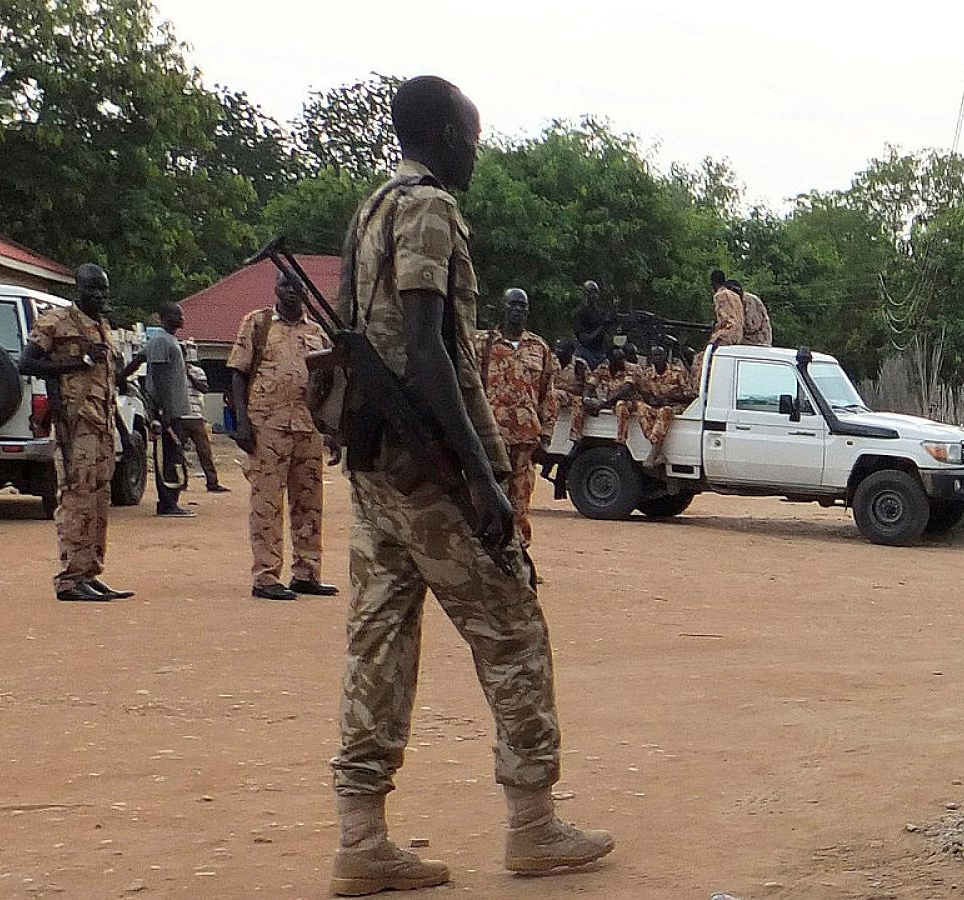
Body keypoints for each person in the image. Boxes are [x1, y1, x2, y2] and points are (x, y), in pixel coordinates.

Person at [327, 76, 612, 896]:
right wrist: (482, 479)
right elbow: (428, 349)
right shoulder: (428, 209)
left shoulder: (370, 210)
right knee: (514, 630)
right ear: (448, 134)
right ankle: (533, 826)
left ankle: (361, 838)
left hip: (379, 466)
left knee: (378, 643)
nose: (476, 155)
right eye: (473, 139)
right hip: (430, 470)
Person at [18, 264, 133, 602]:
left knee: (98, 499)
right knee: (76, 498)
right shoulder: (56, 322)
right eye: (93, 289)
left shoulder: (102, 327)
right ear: (78, 289)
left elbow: (108, 382)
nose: (100, 295)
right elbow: (26, 364)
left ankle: (89, 571)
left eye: (103, 289)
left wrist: (123, 430)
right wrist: (76, 363)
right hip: (75, 424)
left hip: (101, 424)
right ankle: (70, 578)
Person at [228, 270, 337, 603]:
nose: (291, 291)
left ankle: (306, 573)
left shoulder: (318, 333)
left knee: (309, 504)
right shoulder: (258, 324)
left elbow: (329, 384)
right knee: (267, 504)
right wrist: (242, 422)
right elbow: (238, 372)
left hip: (307, 427)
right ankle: (266, 575)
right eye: (285, 285)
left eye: (297, 286)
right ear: (275, 288)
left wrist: (332, 429)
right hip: (267, 427)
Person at [475, 288, 558, 547]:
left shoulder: (539, 348)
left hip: (525, 439)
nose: (518, 310)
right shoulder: (484, 345)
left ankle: (518, 555)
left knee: (520, 503)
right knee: (489, 499)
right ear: (503, 307)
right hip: (492, 437)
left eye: (523, 305)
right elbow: (471, 389)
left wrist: (546, 437)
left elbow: (548, 395)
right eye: (513, 304)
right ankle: (489, 553)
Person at [122, 304, 196, 518]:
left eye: (181, 313)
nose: (181, 317)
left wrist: (120, 377)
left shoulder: (164, 340)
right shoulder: (162, 341)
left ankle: (170, 500)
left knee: (173, 453)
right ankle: (168, 502)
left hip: (174, 410)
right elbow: (161, 376)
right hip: (168, 410)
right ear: (163, 317)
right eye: (176, 314)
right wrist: (163, 410)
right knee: (169, 456)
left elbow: (136, 361)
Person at [634, 344, 697, 469]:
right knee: (641, 407)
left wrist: (670, 398)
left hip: (676, 406)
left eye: (660, 355)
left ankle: (653, 452)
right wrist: (652, 400)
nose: (657, 358)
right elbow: (644, 393)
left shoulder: (677, 372)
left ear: (665, 356)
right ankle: (659, 452)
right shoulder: (647, 374)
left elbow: (690, 395)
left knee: (665, 411)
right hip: (657, 405)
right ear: (651, 358)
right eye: (654, 355)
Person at [179, 340, 229, 493]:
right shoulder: (172, 373)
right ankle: (181, 482)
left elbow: (204, 388)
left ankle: (212, 482)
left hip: (196, 417)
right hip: (179, 416)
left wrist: (189, 375)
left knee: (205, 452)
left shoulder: (197, 371)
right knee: (178, 453)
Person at [586, 344, 640, 442]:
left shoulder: (631, 368)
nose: (622, 361)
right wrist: (586, 399)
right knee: (581, 401)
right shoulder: (603, 368)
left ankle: (621, 440)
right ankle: (575, 437)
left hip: (631, 403)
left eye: (623, 358)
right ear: (610, 360)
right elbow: (590, 385)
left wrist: (603, 404)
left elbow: (625, 390)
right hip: (610, 403)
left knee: (621, 404)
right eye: (619, 359)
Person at [552, 339, 590, 441]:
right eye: (558, 349)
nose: (559, 352)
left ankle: (575, 435)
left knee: (578, 402)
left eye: (562, 350)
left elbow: (587, 386)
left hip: (573, 396)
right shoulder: (551, 361)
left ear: (571, 352)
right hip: (555, 396)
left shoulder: (579, 365)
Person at [571, 280, 616, 366]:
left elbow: (610, 339)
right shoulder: (580, 314)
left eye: (595, 292)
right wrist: (602, 327)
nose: (594, 295)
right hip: (585, 353)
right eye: (591, 293)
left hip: (601, 353)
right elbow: (585, 340)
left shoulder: (602, 313)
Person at [729, 278, 773, 347]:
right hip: (746, 342)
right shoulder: (734, 303)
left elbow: (752, 325)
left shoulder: (750, 300)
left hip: (758, 341)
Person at [707, 268, 744, 348]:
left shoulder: (720, 296)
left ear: (713, 283)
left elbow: (725, 320)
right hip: (738, 337)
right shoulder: (736, 296)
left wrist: (715, 337)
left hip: (726, 336)